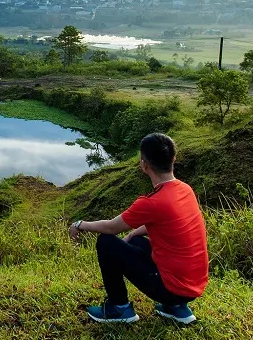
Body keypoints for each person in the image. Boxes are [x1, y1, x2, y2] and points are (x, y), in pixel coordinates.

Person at [69, 133, 208, 325]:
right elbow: (165, 223)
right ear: (173, 159)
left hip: (172, 288)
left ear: (144, 165)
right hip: (193, 285)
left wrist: (79, 225)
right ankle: (176, 308)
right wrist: (134, 232)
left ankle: (119, 309)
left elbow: (111, 227)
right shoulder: (185, 189)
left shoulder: (151, 203)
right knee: (135, 240)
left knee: (106, 242)